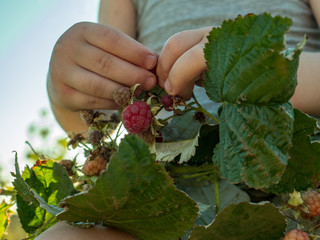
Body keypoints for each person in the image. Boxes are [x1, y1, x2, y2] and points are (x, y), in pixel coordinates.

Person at [39, 0, 320, 239]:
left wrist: (261, 75)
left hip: (299, 157)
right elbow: (108, 117)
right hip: (166, 179)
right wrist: (64, 92)